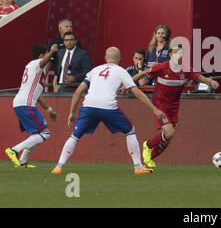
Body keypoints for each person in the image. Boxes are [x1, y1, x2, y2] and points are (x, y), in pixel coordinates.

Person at [51, 46, 167, 175]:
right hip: (108, 107)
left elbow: (78, 91)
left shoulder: (95, 70)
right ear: (120, 59)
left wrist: (71, 112)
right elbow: (137, 92)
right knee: (130, 131)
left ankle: (59, 167)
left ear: (105, 58)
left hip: (89, 106)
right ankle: (138, 167)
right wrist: (154, 109)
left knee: (74, 136)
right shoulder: (122, 71)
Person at [133, 44, 219, 168]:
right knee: (168, 133)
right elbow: (142, 75)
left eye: (180, 53)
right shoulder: (161, 67)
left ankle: (147, 161)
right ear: (170, 55)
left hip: (173, 108)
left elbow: (200, 78)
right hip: (159, 105)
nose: (177, 55)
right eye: (174, 52)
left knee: (167, 140)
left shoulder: (186, 70)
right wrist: (129, 83)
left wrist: (212, 81)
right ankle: (148, 145)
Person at [4, 43, 59, 168]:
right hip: (25, 104)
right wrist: (51, 52)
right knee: (45, 133)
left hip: (21, 103)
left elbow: (38, 96)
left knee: (37, 134)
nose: (48, 60)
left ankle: (23, 162)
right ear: (41, 56)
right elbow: (42, 62)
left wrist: (49, 110)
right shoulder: (35, 64)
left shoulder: (35, 72)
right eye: (46, 56)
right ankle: (14, 150)